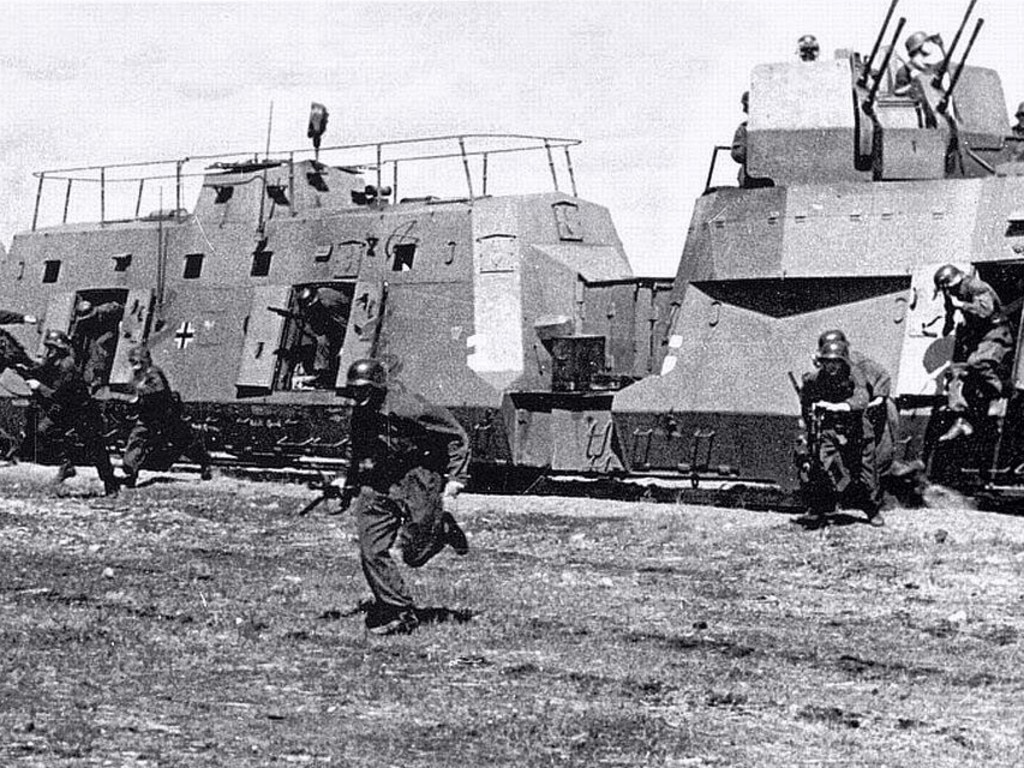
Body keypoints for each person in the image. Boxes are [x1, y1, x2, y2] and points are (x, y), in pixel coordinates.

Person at [339, 358, 470, 636]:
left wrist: (457, 478)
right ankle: (399, 611)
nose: (357, 397)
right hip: (380, 480)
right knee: (371, 548)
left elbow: (457, 436)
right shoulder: (361, 411)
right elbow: (357, 447)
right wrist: (347, 481)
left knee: (414, 555)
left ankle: (441, 529)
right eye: (353, 391)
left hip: (419, 476)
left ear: (377, 389)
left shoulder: (409, 406)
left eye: (362, 391)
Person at [23, 329, 119, 496]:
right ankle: (66, 465)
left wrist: (39, 386)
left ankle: (111, 484)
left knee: (95, 447)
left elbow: (56, 394)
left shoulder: (67, 366)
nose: (49, 351)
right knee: (44, 431)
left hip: (83, 412)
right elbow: (40, 371)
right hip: (66, 410)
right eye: (48, 347)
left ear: (60, 349)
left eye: (52, 347)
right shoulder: (53, 362)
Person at [799, 339, 884, 526]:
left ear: (843, 362)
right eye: (828, 362)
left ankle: (872, 510)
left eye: (836, 362)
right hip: (831, 430)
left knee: (868, 477)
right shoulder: (816, 378)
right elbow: (806, 398)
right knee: (826, 463)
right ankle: (826, 504)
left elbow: (861, 399)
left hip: (858, 430)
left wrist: (839, 406)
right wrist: (809, 415)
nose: (832, 366)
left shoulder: (855, 375)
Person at [932, 264, 1015, 442]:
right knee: (956, 370)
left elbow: (986, 311)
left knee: (979, 362)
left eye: (949, 287)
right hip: (977, 335)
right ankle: (961, 419)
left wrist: (962, 305)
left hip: (997, 332)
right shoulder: (951, 291)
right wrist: (948, 325)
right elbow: (950, 308)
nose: (948, 291)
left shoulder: (977, 286)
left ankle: (998, 397)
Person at [120, 344, 213, 488]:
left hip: (166, 416)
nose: (134, 365)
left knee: (184, 442)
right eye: (132, 361)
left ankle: (205, 463)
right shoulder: (138, 375)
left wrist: (139, 394)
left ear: (144, 360)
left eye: (136, 361)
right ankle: (130, 474)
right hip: (148, 417)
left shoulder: (153, 373)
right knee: (136, 441)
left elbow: (158, 389)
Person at [817, 329, 898, 480]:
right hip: (852, 415)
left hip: (876, 411)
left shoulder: (859, 363)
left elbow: (882, 377)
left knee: (877, 459)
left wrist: (878, 398)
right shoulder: (828, 365)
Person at [295, 286, 350, 388]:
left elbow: (346, 303)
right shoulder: (305, 309)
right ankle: (324, 374)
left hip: (345, 322)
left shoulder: (327, 295)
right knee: (322, 342)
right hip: (331, 330)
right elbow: (309, 327)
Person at [70, 299, 123, 393]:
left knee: (100, 350)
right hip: (97, 338)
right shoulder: (83, 322)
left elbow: (122, 313)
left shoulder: (107, 310)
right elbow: (78, 336)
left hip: (112, 333)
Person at [894, 31, 945, 98]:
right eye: (927, 42)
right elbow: (897, 92)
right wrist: (915, 85)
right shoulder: (904, 71)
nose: (931, 44)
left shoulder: (931, 67)